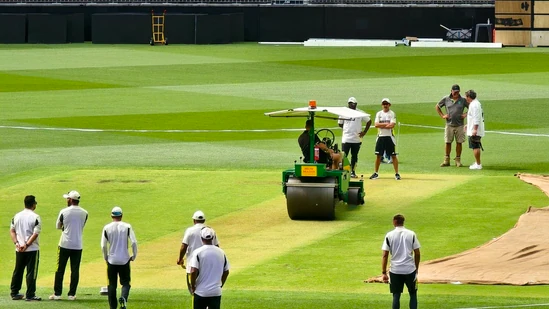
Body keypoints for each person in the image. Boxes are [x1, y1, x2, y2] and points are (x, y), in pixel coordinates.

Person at [50, 190, 88, 301]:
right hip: (78, 245)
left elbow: (58, 226)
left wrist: (65, 227)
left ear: (71, 200)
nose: (67, 200)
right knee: (75, 270)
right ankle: (72, 294)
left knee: (60, 269)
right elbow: (82, 225)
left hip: (64, 244)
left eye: (67, 198)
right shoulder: (85, 213)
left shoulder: (64, 211)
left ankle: (57, 294)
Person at [101, 206, 138, 309]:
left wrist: (105, 257)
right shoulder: (127, 227)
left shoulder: (107, 227)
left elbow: (103, 245)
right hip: (124, 259)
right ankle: (123, 298)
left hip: (112, 260)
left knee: (111, 284)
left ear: (111, 215)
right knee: (126, 283)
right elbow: (134, 242)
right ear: (121, 215)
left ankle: (113, 307)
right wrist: (134, 256)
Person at [381, 214, 421, 309]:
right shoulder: (411, 234)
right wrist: (416, 268)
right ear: (403, 222)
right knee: (413, 294)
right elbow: (417, 253)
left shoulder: (389, 235)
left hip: (395, 270)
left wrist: (383, 272)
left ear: (394, 222)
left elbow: (385, 255)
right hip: (409, 269)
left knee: (396, 295)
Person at [177, 210, 219, 294]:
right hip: (208, 266)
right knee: (207, 290)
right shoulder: (210, 231)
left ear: (194, 220)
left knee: (194, 291)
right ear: (204, 220)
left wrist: (180, 259)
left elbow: (184, 246)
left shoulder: (190, 231)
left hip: (192, 265)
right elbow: (217, 248)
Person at [10, 195, 42, 301]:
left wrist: (17, 243)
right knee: (31, 272)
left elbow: (12, 231)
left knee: (18, 270)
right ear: (33, 204)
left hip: (19, 249)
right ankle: (30, 294)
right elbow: (35, 233)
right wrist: (27, 245)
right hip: (32, 249)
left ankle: (14, 292)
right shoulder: (35, 217)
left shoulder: (16, 216)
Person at [189, 227, 230, 309]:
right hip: (215, 292)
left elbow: (193, 271)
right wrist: (220, 284)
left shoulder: (198, 252)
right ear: (213, 237)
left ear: (201, 238)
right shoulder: (221, 252)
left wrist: (192, 285)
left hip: (201, 292)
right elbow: (226, 271)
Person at [338, 96, 372, 178]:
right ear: (348, 104)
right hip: (346, 138)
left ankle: (353, 171)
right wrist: (347, 129)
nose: (352, 105)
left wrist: (364, 132)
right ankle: (345, 170)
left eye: (354, 104)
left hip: (356, 139)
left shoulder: (359, 113)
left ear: (356, 104)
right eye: (351, 104)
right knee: (344, 156)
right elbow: (340, 123)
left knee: (355, 156)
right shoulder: (344, 112)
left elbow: (369, 121)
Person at [436, 84, 468, 167]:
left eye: (457, 92)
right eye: (454, 92)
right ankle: (446, 160)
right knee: (448, 142)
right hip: (449, 124)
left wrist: (466, 114)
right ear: (451, 91)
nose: (455, 93)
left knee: (459, 142)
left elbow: (471, 107)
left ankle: (458, 160)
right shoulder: (446, 99)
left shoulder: (463, 100)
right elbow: (437, 106)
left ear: (459, 92)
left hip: (460, 125)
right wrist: (443, 115)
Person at [370, 98, 400, 180]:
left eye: (386, 104)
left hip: (389, 137)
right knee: (378, 155)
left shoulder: (392, 114)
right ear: (382, 105)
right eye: (384, 104)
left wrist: (382, 125)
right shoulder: (379, 114)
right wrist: (386, 124)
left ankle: (397, 173)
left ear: (389, 105)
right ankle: (376, 173)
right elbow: (376, 125)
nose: (385, 105)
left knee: (393, 155)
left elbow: (392, 125)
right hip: (380, 137)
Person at [465, 89, 485, 170]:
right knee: (475, 146)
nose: (466, 98)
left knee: (475, 146)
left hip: (475, 129)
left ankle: (478, 164)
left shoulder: (474, 105)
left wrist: (474, 129)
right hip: (473, 127)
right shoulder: (475, 104)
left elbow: (476, 117)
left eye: (466, 97)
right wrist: (468, 125)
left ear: (469, 97)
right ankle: (477, 162)